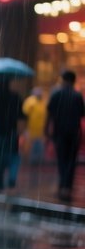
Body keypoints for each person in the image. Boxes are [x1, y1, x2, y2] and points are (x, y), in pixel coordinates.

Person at [45, 70, 84, 202]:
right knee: (71, 160)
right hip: (73, 132)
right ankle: (67, 186)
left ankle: (63, 184)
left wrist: (47, 129)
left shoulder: (57, 95)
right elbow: (81, 114)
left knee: (62, 159)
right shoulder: (77, 96)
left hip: (60, 132)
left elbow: (49, 113)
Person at [22, 87, 47, 166]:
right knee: (30, 145)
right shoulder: (30, 101)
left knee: (38, 146)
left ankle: (37, 161)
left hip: (40, 129)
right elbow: (24, 115)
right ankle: (30, 160)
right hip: (30, 128)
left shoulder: (42, 102)